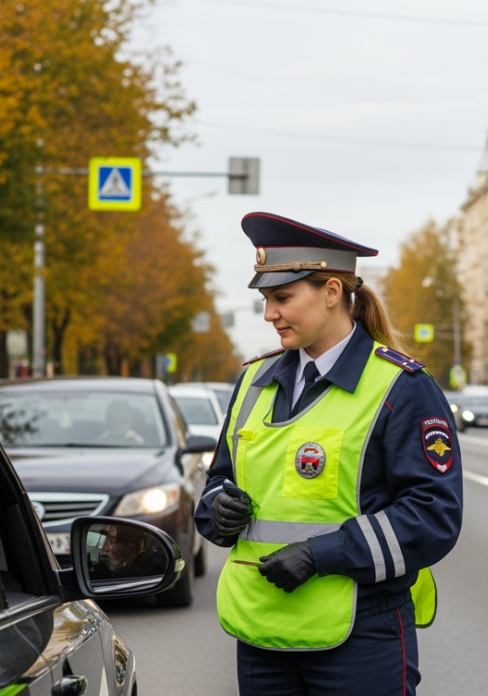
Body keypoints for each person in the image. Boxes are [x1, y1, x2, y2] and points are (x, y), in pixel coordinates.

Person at [196, 212, 463, 695]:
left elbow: (432, 516)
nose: (269, 314)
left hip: (362, 630)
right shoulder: (253, 381)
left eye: (282, 298)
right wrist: (218, 508)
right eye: (265, 300)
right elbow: (217, 484)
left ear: (332, 292)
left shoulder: (401, 388)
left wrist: (323, 555)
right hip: (262, 629)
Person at [88, 524, 166, 580]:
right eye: (105, 539)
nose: (105, 548)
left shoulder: (150, 567)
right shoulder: (101, 568)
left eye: (112, 541)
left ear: (130, 547)